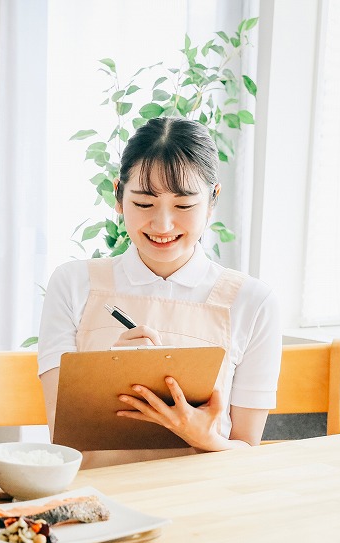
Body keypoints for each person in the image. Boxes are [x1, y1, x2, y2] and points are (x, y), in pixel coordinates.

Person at [38, 117, 281, 468]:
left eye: (183, 206)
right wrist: (108, 373)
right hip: (98, 501)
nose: (163, 225)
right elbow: (62, 438)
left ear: (213, 199)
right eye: (143, 203)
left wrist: (204, 438)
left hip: (203, 500)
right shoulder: (73, 284)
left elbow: (246, 447)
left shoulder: (254, 302)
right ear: (118, 196)